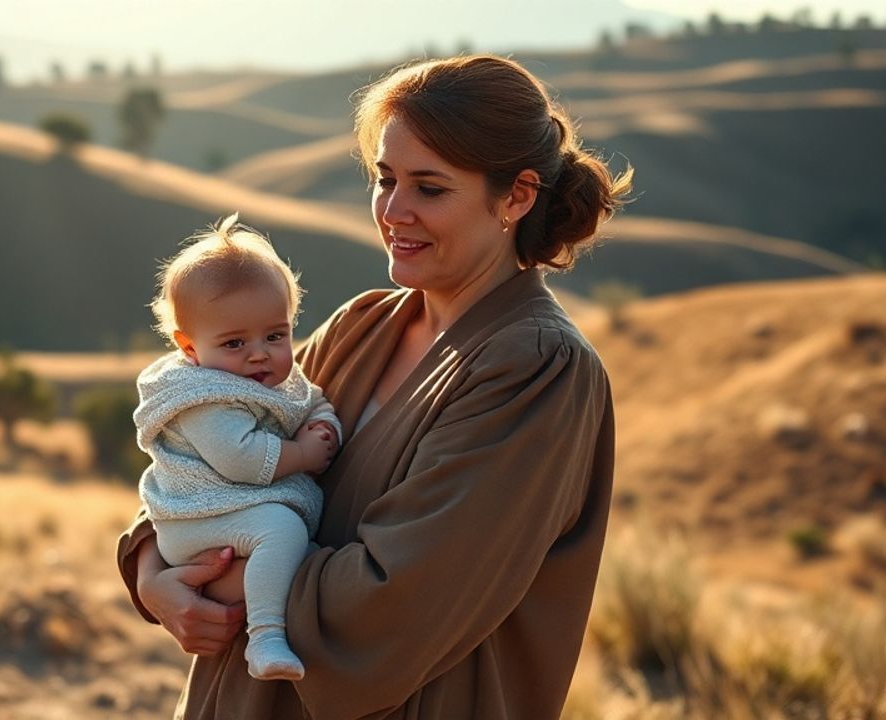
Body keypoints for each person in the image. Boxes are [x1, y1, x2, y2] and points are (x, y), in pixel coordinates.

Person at [117, 54, 631, 719]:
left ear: (516, 196)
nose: (393, 210)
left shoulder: (537, 368)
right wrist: (153, 575)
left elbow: (403, 602)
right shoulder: (362, 325)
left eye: (429, 188)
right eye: (385, 180)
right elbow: (199, 447)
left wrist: (217, 575)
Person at [134, 216, 342, 681]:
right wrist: (305, 455)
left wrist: (325, 425)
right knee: (282, 532)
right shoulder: (203, 397)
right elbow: (242, 459)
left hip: (230, 511)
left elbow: (310, 400)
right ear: (189, 348)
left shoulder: (271, 377)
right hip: (199, 518)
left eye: (276, 335)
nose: (259, 353)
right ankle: (266, 637)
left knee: (286, 540)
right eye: (234, 342)